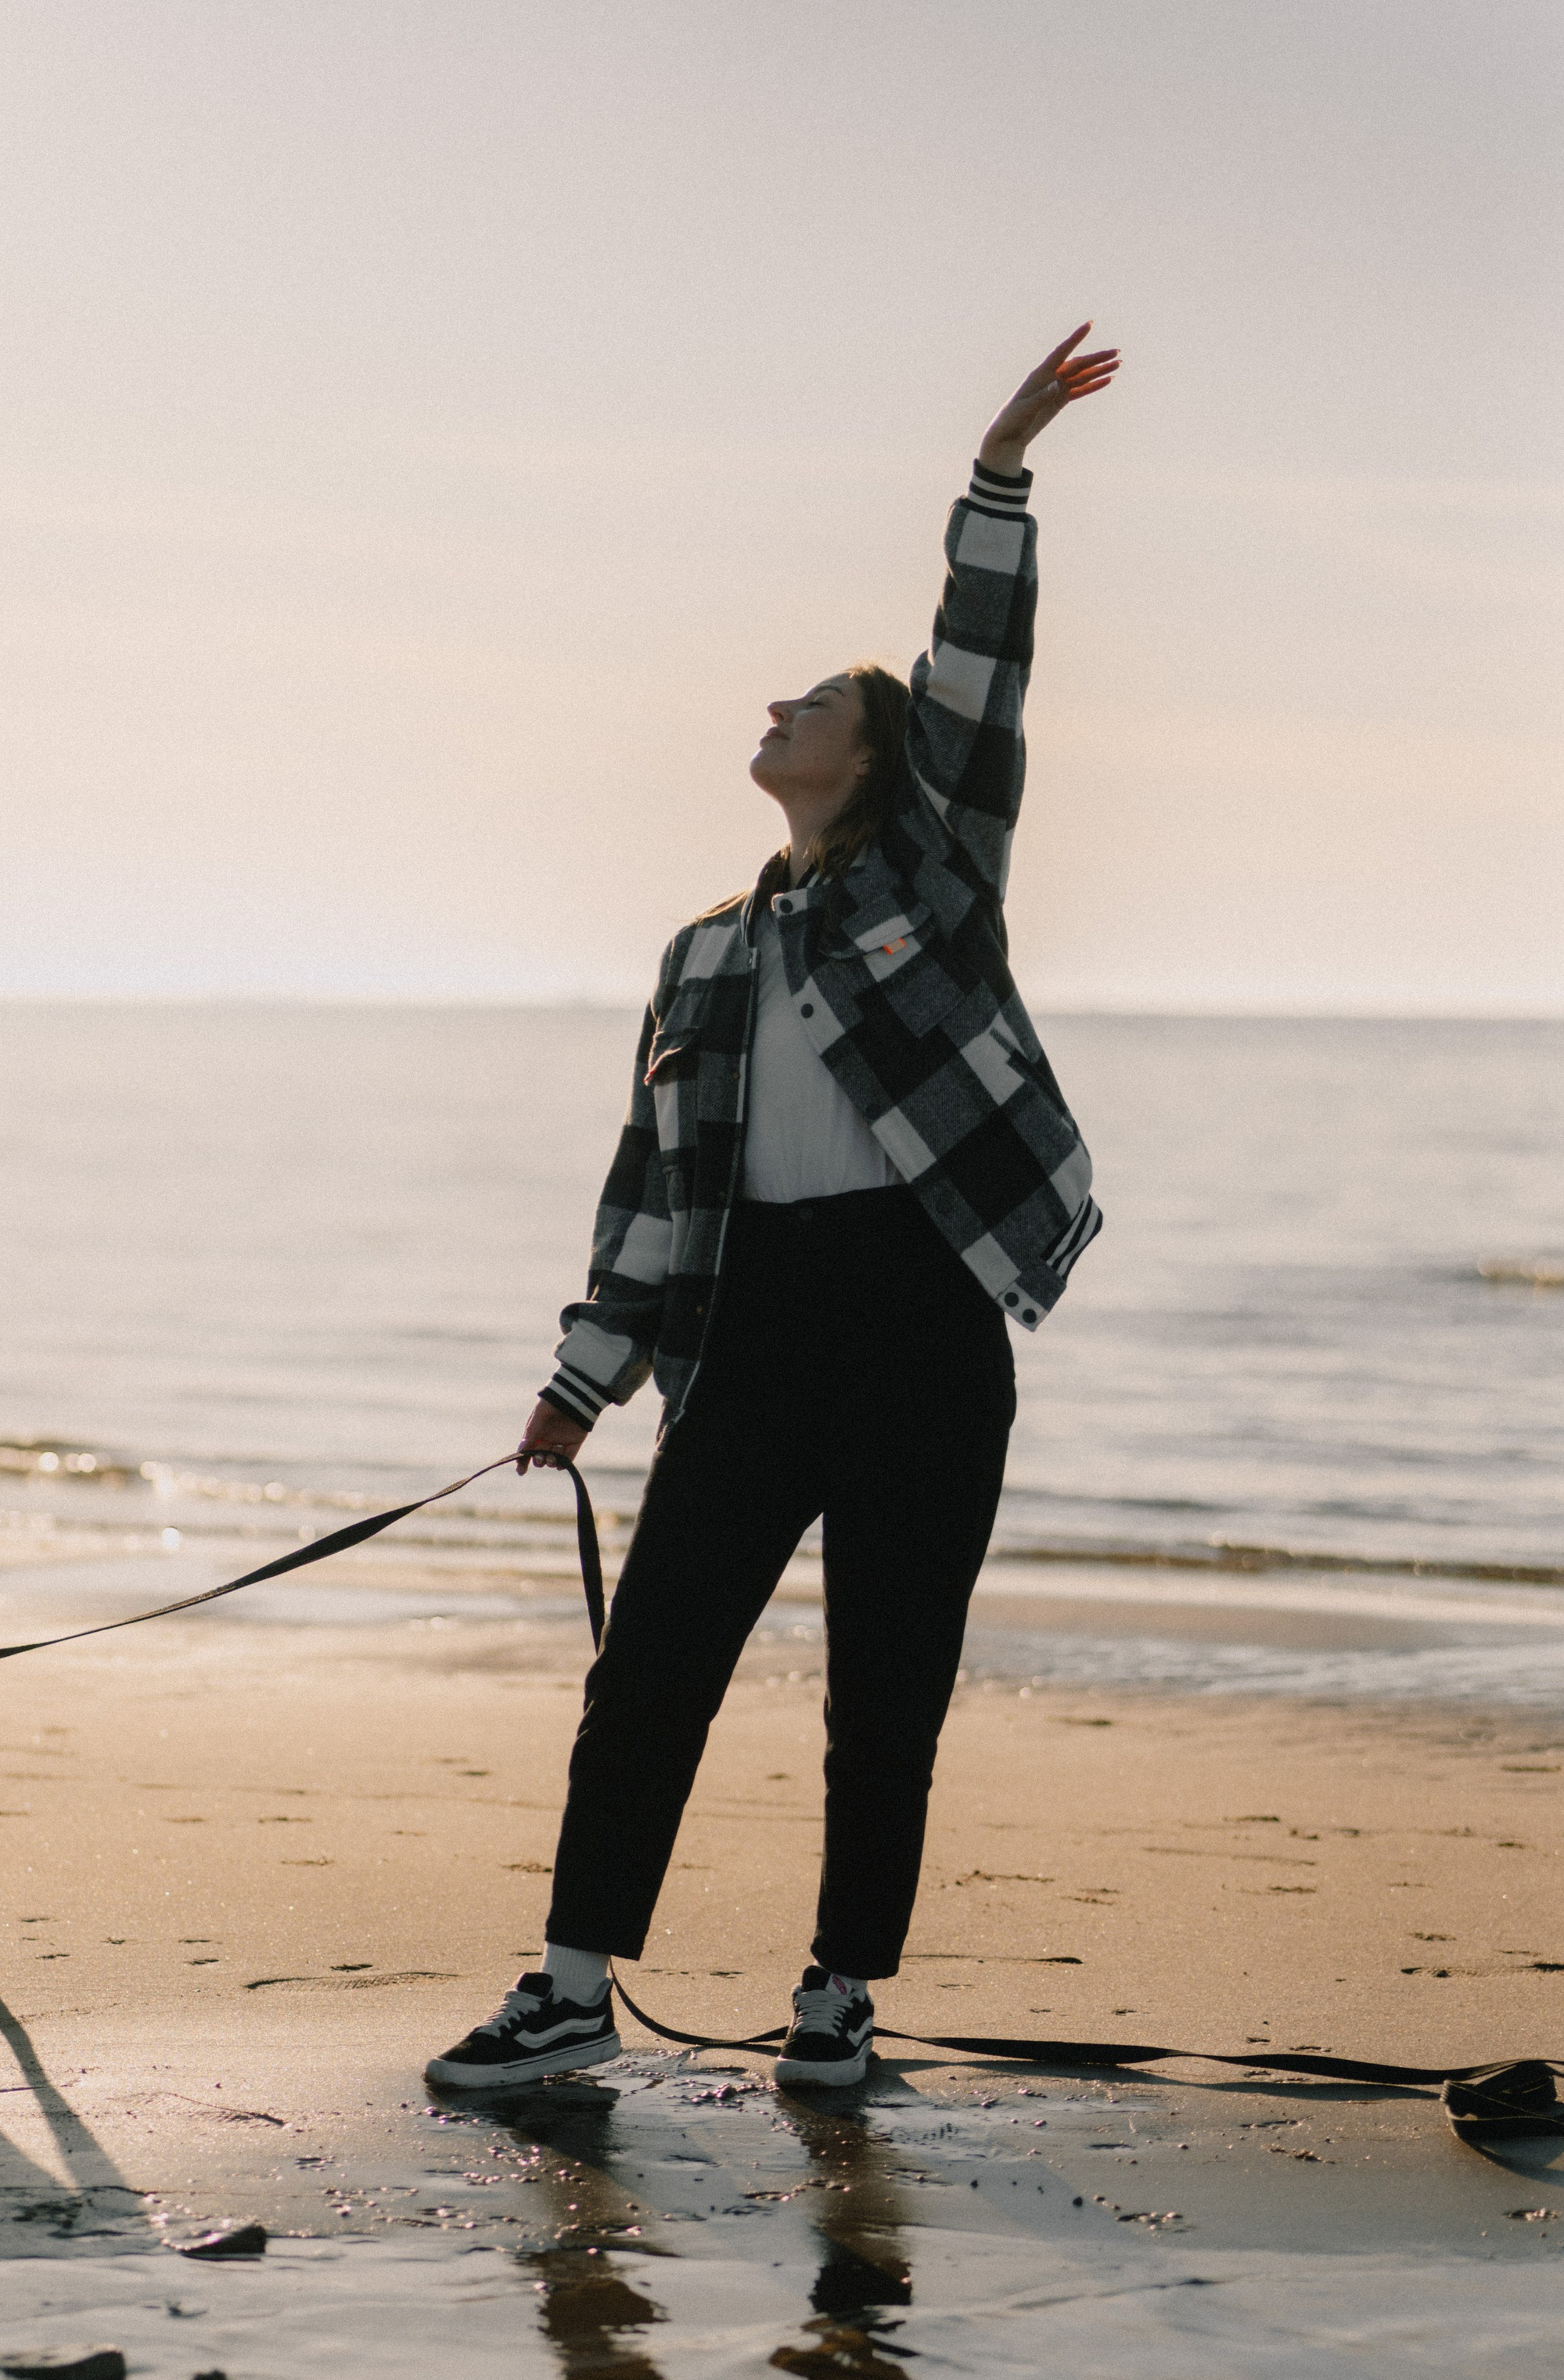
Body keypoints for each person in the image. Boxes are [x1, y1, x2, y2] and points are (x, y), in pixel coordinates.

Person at [426, 327, 1120, 2094]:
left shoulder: (934, 878)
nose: (776, 712)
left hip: (923, 1322)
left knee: (886, 1694)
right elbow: (649, 1193)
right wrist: (580, 1382)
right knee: (649, 1670)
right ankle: (569, 1989)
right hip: (748, 1334)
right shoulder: (704, 957)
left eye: (813, 705)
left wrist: (998, 472)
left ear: (875, 763)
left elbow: (977, 685)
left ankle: (838, 1997)